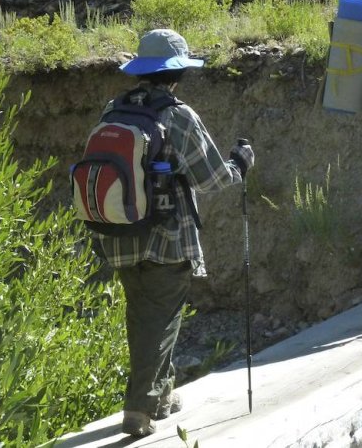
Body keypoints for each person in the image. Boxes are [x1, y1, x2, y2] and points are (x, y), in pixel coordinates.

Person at [93, 29, 255, 437]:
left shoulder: (113, 111)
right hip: (168, 235)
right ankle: (139, 409)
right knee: (161, 320)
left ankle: (163, 394)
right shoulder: (178, 115)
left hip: (118, 232)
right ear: (178, 71)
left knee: (145, 317)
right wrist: (240, 164)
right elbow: (213, 178)